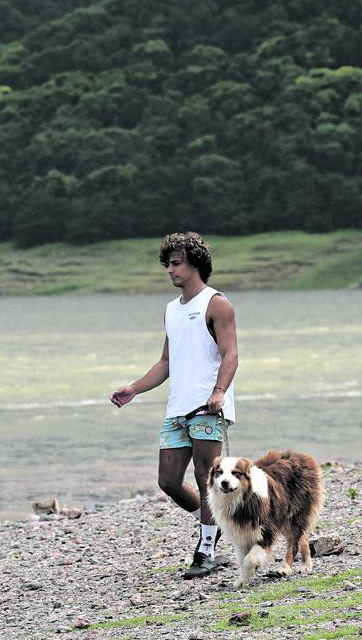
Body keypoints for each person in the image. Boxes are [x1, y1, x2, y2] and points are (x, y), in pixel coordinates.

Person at [110, 231, 239, 579]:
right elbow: (166, 362)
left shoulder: (217, 303)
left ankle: (207, 550)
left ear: (195, 264)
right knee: (168, 480)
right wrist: (134, 388)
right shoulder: (171, 310)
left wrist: (219, 390)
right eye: (167, 264)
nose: (169, 269)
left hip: (208, 407)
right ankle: (219, 528)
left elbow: (231, 353)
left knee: (206, 478)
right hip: (177, 409)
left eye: (176, 263)